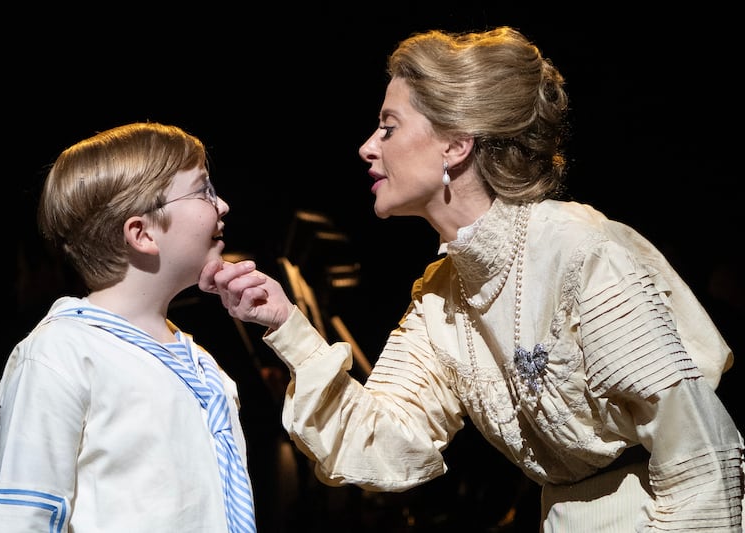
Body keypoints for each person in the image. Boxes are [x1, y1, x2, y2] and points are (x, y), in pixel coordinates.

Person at [204, 27, 744, 531]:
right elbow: (384, 440)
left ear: (455, 145)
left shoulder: (580, 249)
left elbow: (701, 453)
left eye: (389, 127)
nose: (368, 146)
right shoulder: (444, 294)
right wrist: (287, 325)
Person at [0, 122, 257, 533]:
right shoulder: (63, 351)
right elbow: (23, 518)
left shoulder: (202, 363)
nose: (223, 205)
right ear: (142, 233)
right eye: (203, 191)